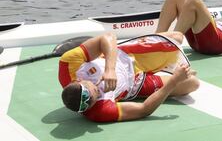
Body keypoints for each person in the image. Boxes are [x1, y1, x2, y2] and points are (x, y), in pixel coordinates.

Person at [59, 31, 199, 122]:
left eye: (91, 90)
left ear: (78, 80)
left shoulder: (68, 64)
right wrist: (174, 81)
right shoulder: (99, 112)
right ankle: (168, 73)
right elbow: (143, 109)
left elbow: (108, 37)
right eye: (92, 101)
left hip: (128, 56)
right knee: (193, 83)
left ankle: (149, 38)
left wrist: (110, 70)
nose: (96, 93)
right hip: (136, 84)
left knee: (177, 38)